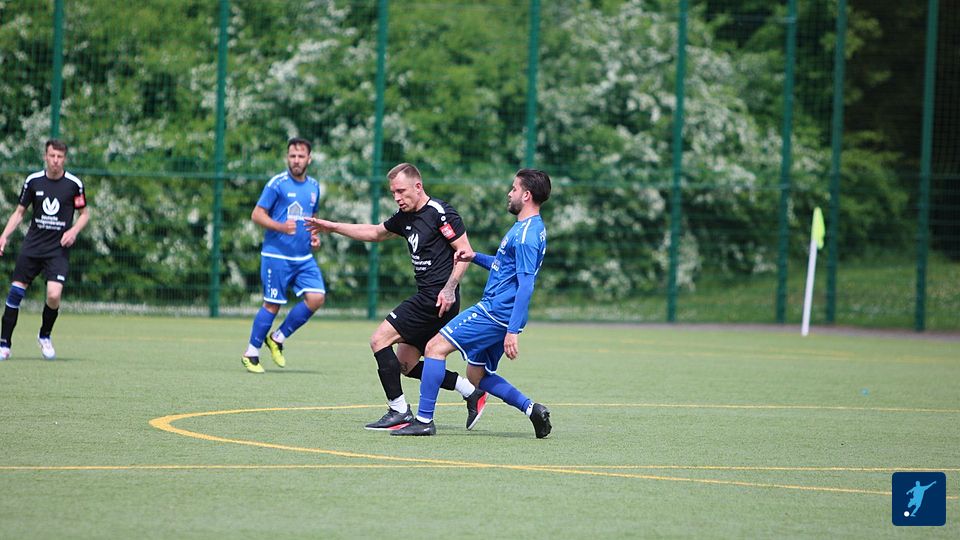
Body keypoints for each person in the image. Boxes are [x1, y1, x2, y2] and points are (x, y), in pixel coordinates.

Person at [306, 163, 487, 430]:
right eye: (393, 193)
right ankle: (471, 392)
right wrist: (332, 227)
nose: (397, 198)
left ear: (418, 186)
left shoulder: (440, 213)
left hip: (437, 298)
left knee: (379, 340)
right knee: (406, 364)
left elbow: (464, 252)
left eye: (401, 191)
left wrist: (450, 288)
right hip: (429, 297)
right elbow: (375, 232)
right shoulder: (404, 217)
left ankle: (399, 410)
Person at [392, 168, 552, 438]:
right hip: (503, 313)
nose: (509, 193)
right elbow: (504, 267)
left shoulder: (526, 235)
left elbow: (526, 284)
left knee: (434, 348)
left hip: (495, 312)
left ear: (526, 195)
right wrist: (474, 256)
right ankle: (532, 409)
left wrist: (512, 331)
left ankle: (424, 419)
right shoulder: (528, 228)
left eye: (514, 189)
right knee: (476, 375)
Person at [240, 137, 326, 373]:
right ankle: (251, 353)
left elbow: (312, 216)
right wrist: (280, 227)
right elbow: (257, 214)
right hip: (276, 256)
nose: (296, 160)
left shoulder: (314, 186)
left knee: (317, 298)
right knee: (273, 304)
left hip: (303, 258)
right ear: (287, 158)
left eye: (300, 156)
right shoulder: (277, 184)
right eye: (292, 156)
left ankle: (277, 338)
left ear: (309, 159)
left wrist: (314, 236)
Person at [0, 139, 90, 361]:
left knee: (54, 294)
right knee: (15, 293)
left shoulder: (74, 184)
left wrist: (74, 231)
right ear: (45, 156)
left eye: (60, 157)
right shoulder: (33, 181)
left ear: (64, 159)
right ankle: (4, 344)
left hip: (57, 250)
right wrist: (4, 235)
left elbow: (84, 214)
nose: (55, 161)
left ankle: (44, 336)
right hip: (32, 247)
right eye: (52, 156)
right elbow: (19, 213)